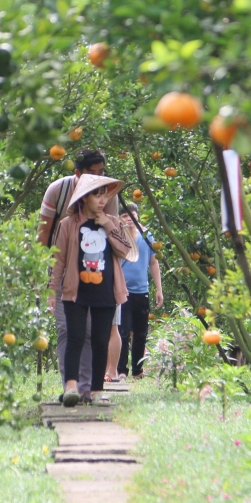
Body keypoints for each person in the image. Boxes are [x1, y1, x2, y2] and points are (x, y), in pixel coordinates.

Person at [48, 175, 133, 407]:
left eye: (104, 194)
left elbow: (126, 251)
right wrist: (51, 290)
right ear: (84, 198)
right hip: (76, 291)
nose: (102, 199)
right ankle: (71, 387)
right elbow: (59, 260)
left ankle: (96, 390)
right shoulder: (68, 224)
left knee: (99, 341)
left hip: (106, 292)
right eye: (97, 194)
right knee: (74, 338)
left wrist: (106, 223)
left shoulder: (113, 222)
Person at [38, 149, 117, 399]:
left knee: (94, 332)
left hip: (97, 275)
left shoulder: (108, 194)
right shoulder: (57, 191)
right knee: (69, 330)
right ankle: (71, 387)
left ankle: (87, 389)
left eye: (101, 173)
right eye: (91, 174)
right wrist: (48, 280)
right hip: (64, 271)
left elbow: (115, 239)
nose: (97, 179)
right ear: (77, 173)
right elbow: (44, 236)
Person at [115, 202, 162, 379]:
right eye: (125, 216)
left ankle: (137, 370)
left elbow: (153, 262)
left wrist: (159, 289)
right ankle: (121, 371)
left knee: (141, 333)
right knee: (123, 332)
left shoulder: (147, 236)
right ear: (120, 218)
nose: (128, 219)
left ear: (137, 217)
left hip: (142, 291)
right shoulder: (118, 236)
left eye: (131, 215)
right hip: (122, 292)